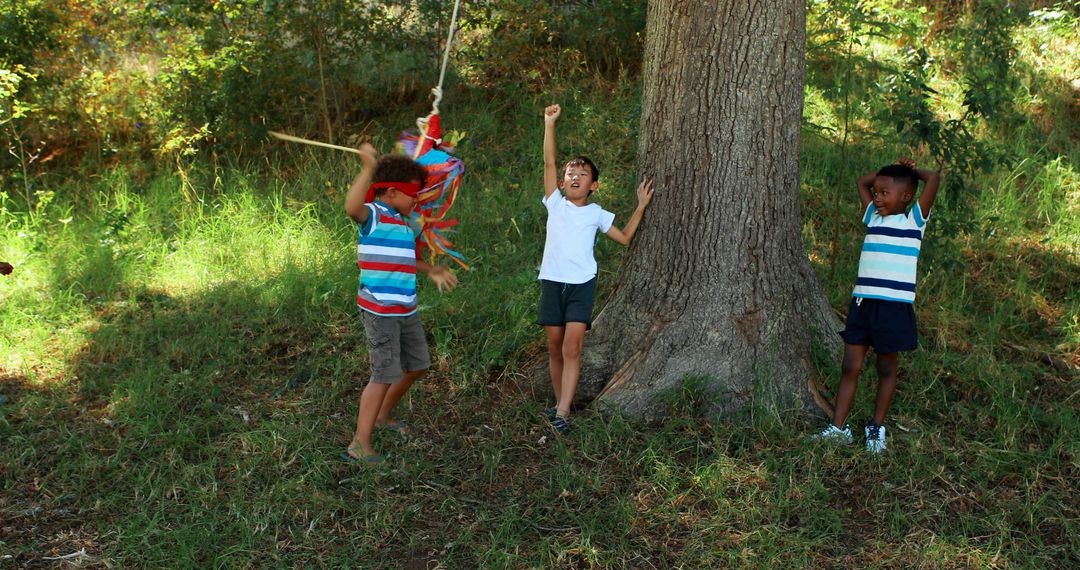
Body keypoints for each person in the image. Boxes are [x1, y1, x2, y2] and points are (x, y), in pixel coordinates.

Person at [538, 103, 655, 433]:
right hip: (551, 281)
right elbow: (548, 161)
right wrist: (550, 124)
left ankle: (562, 413)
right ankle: (561, 401)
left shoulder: (597, 213)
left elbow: (625, 237)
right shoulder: (555, 203)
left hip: (581, 284)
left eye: (583, 174)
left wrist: (642, 205)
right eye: (570, 173)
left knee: (572, 347)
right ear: (562, 182)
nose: (574, 176)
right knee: (554, 346)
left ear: (594, 186)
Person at [814, 158, 941, 453]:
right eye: (877, 192)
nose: (877, 197)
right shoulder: (873, 217)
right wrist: (890, 171)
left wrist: (909, 171)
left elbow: (932, 178)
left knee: (886, 366)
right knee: (851, 365)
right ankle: (838, 427)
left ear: (907, 196)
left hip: (894, 308)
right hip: (863, 303)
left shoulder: (914, 221)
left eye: (885, 193)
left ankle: (876, 426)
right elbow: (862, 181)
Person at [342, 143, 459, 463]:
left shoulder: (406, 224)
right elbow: (351, 207)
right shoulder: (374, 216)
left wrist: (432, 270)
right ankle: (359, 443)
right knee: (383, 374)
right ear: (392, 192)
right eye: (413, 193)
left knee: (418, 365)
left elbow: (410, 260)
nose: (417, 199)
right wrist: (367, 168)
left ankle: (382, 416)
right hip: (380, 309)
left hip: (406, 307)